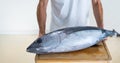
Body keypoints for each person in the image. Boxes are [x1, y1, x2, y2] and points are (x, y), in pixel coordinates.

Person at [37, 0, 103, 37]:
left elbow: (96, 3)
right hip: (58, 34)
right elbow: (42, 4)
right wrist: (42, 32)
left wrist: (101, 30)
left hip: (82, 33)